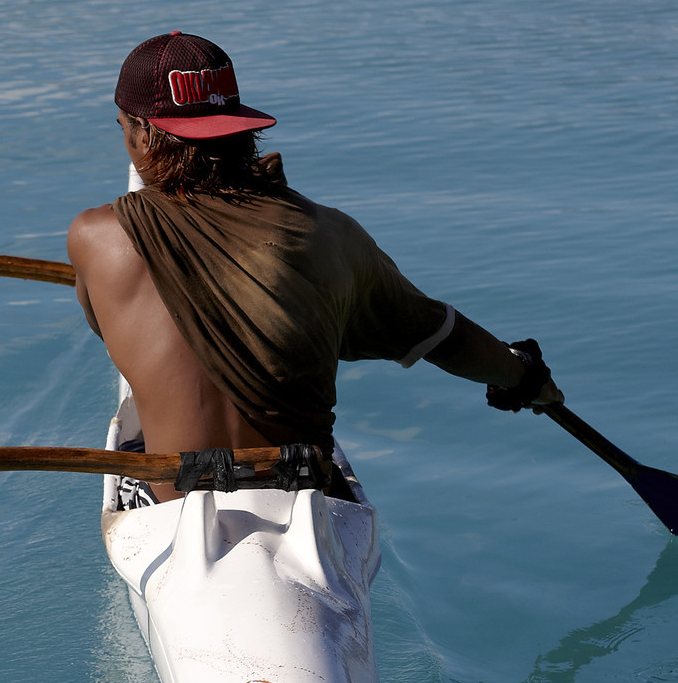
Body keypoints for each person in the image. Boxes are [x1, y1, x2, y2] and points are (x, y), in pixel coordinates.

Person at [66, 31, 563, 505]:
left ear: (140, 137)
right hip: (301, 487)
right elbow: (441, 335)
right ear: (241, 129)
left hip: (174, 493)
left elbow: (110, 333)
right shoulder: (330, 234)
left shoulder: (95, 238)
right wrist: (521, 375)